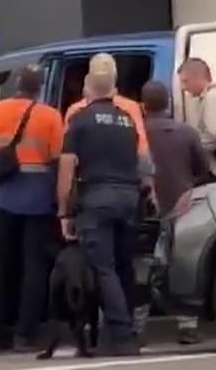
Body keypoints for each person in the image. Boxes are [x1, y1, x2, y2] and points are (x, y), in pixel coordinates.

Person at [58, 53, 154, 356]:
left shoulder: (77, 116)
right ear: (113, 86)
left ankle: (120, 334)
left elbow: (66, 169)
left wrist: (64, 211)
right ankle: (125, 332)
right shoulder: (129, 115)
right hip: (128, 197)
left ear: (87, 87)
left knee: (103, 268)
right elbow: (143, 159)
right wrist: (147, 193)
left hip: (96, 198)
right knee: (124, 266)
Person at [0, 65, 63, 353]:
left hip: (5, 197)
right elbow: (56, 161)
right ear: (39, 88)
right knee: (33, 268)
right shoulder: (50, 116)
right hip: (38, 199)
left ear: (16, 84)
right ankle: (24, 335)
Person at [135, 81, 209, 345]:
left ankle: (137, 328)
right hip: (182, 208)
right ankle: (187, 326)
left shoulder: (137, 132)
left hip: (145, 210)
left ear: (143, 105)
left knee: (142, 269)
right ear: (168, 103)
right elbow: (203, 169)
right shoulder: (187, 132)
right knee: (180, 264)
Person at [178, 57, 216, 181]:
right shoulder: (208, 97)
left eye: (185, 81)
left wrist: (189, 147)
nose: (182, 87)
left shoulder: (213, 99)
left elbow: (214, 136)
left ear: (198, 78)